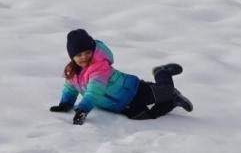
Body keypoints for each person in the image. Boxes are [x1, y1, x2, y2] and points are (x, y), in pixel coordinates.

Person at [50, 29, 193, 125]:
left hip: (134, 90)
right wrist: (65, 104)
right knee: (142, 116)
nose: (84, 57)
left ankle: (162, 72)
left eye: (87, 52)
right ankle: (173, 102)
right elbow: (70, 88)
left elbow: (95, 91)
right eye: (79, 55)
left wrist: (83, 110)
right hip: (121, 105)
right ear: (72, 57)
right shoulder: (72, 72)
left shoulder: (99, 67)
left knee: (165, 90)